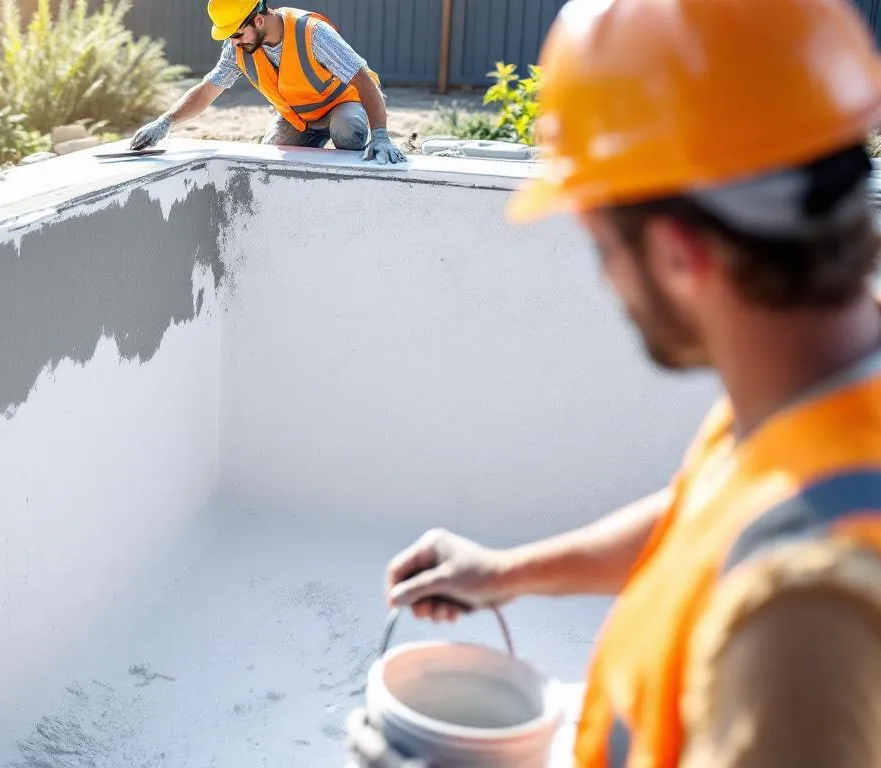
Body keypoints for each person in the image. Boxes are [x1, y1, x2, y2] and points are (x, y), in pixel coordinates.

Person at [345, 0, 881, 766]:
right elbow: (717, 514)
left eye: (601, 243)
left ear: (677, 253)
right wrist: (506, 573)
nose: (604, 278)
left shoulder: (803, 624)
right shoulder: (824, 385)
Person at [127, 0, 406, 165]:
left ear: (258, 20)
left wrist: (381, 134)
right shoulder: (238, 48)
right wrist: (166, 122)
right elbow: (208, 89)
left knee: (349, 132)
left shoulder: (312, 34)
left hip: (341, 107)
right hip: (298, 118)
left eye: (236, 35)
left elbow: (364, 79)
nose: (233, 42)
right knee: (269, 158)